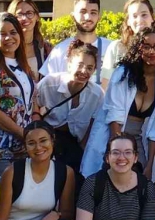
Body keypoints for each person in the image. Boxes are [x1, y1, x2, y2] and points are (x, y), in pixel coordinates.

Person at [81, 26, 155, 178]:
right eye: (146, 46)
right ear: (138, 49)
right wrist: (116, 153)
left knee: (141, 184)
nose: (152, 51)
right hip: (113, 136)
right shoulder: (123, 74)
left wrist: (150, 164)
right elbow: (114, 117)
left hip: (138, 140)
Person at [0, 12, 37, 179]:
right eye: (2, 33)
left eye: (13, 32)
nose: (9, 38)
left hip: (23, 147)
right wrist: (24, 134)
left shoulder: (23, 66)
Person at [33, 43, 103, 171]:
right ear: (69, 63)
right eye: (80, 65)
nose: (84, 71)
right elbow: (33, 105)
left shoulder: (97, 94)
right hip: (47, 142)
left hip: (75, 147)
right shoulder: (49, 83)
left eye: (89, 68)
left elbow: (94, 126)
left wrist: (83, 150)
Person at [40, 0, 110, 83]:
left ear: (99, 17)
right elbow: (49, 86)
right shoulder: (59, 50)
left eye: (93, 13)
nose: (88, 17)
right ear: (73, 16)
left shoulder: (111, 48)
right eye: (83, 12)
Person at [101, 0, 155, 85]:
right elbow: (106, 85)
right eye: (134, 16)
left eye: (144, 15)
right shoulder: (116, 47)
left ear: (152, 17)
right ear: (128, 21)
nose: (139, 20)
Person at [9, 0, 52, 73]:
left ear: (37, 17)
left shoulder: (46, 49)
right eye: (19, 14)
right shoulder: (7, 47)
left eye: (29, 13)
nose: (25, 18)